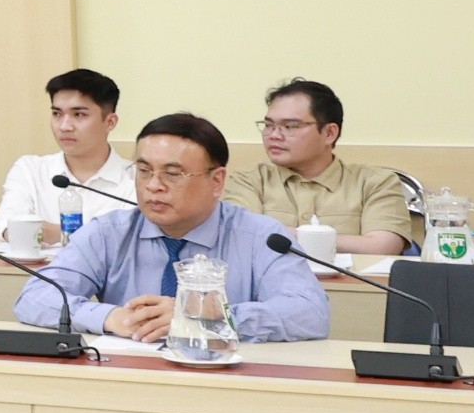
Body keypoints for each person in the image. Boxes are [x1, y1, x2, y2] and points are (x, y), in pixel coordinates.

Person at [28, 114, 331, 343]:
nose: (153, 186)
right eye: (143, 171)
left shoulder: (260, 237)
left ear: (217, 181)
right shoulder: (110, 233)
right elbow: (35, 297)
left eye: (172, 174)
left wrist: (205, 316)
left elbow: (310, 314)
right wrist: (109, 316)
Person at [228, 78, 416, 256]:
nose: (274, 135)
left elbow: (383, 247)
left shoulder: (375, 182)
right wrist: (342, 242)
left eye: (290, 126)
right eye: (269, 125)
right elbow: (241, 236)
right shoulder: (248, 180)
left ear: (329, 133)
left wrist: (281, 234)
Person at [0, 67, 133, 246]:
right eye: (57, 114)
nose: (64, 126)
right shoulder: (30, 170)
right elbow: (5, 225)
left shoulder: (137, 178)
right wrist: (20, 233)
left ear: (110, 122)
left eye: (79, 114)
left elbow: (130, 241)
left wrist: (61, 233)